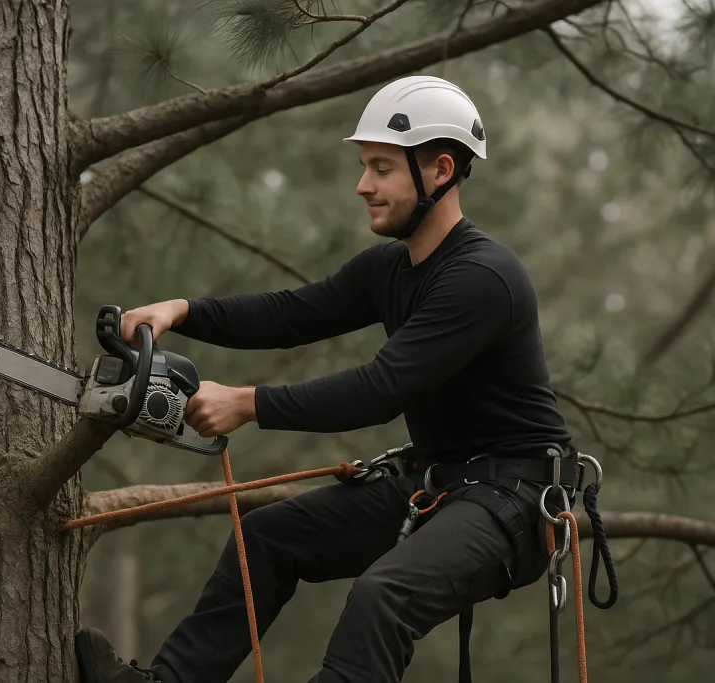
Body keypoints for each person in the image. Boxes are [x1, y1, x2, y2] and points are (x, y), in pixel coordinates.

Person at [75, 75, 579, 683]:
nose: (362, 185)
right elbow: (295, 312)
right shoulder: (392, 268)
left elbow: (380, 388)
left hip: (513, 502)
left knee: (382, 597)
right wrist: (183, 311)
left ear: (440, 170)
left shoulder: (481, 278)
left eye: (382, 169)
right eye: (366, 166)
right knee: (267, 536)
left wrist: (246, 402)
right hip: (439, 483)